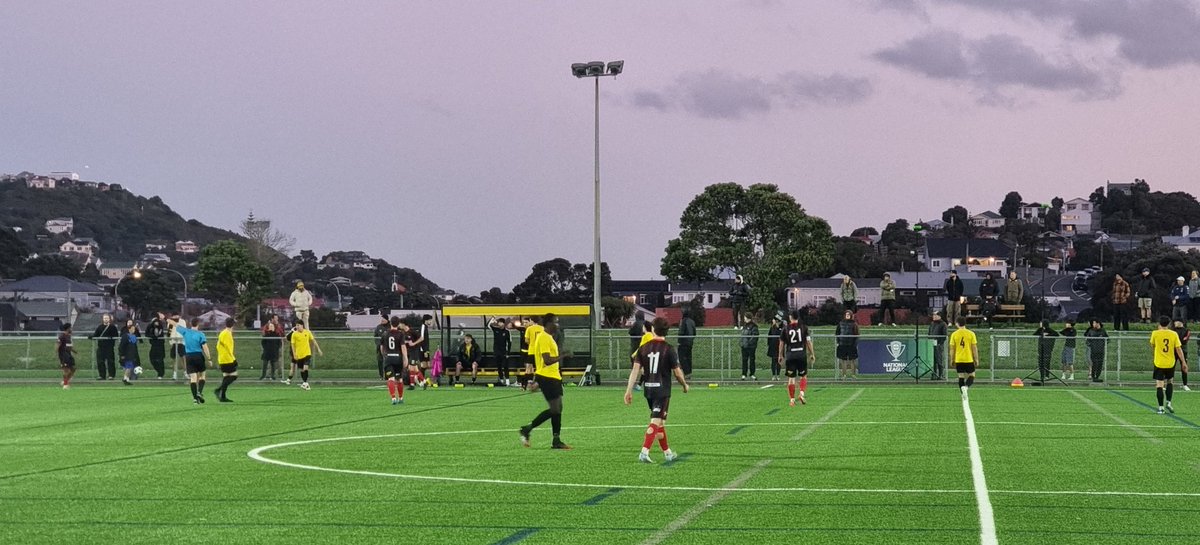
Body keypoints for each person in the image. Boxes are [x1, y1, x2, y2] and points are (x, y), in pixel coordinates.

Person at [624, 317, 688, 463]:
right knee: (655, 421)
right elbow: (677, 373)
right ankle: (644, 451)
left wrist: (628, 390)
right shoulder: (669, 349)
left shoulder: (643, 348)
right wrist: (684, 385)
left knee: (660, 423)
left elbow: (635, 371)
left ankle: (668, 453)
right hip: (662, 391)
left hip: (649, 390)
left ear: (653, 329)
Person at [519, 314, 571, 450]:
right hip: (547, 377)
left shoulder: (549, 337)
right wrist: (563, 355)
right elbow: (547, 361)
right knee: (555, 409)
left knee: (558, 409)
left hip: (553, 377)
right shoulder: (543, 338)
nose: (557, 325)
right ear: (548, 323)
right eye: (556, 322)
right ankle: (527, 429)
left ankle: (556, 440)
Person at [1150, 316, 1187, 414]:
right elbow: (1178, 349)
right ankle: (1169, 402)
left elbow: (1153, 346)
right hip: (1170, 362)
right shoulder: (1173, 334)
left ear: (1159, 323)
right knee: (1170, 382)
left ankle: (1161, 407)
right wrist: (1183, 362)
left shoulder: (1155, 333)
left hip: (1159, 362)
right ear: (1169, 324)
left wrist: (1155, 354)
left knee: (1159, 385)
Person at [778, 309, 815, 407]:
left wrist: (780, 355)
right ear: (798, 317)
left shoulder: (786, 329)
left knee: (791, 378)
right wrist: (812, 353)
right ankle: (802, 394)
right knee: (803, 376)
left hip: (790, 355)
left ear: (790, 317)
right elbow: (808, 341)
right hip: (801, 355)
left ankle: (792, 399)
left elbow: (781, 343)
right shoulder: (804, 328)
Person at [174, 318, 212, 404]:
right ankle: (199, 392)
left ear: (191, 324)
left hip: (189, 356)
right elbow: (205, 347)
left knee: (193, 378)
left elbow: (175, 325)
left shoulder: (185, 331)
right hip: (198, 355)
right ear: (198, 324)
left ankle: (195, 399)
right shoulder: (200, 334)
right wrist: (209, 358)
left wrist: (166, 318)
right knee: (202, 375)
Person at [948, 317, 980, 400]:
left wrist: (951, 359)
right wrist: (976, 359)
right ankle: (966, 387)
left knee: (961, 376)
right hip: (968, 359)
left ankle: (963, 393)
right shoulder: (971, 333)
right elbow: (974, 348)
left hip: (959, 359)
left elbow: (952, 349)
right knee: (972, 375)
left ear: (957, 323)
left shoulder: (954, 334)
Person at [380, 316, 409, 404]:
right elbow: (403, 347)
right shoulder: (400, 334)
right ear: (398, 323)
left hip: (388, 358)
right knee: (399, 379)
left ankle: (393, 398)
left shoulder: (385, 333)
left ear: (390, 323)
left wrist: (384, 355)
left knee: (391, 378)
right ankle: (400, 398)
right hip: (398, 358)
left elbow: (381, 347)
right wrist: (405, 358)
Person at [289, 320, 322, 391]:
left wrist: (318, 349)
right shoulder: (294, 334)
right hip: (299, 355)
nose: (297, 327)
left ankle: (305, 383)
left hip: (307, 353)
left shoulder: (307, 332)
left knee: (305, 368)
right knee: (302, 370)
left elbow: (313, 340)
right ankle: (305, 383)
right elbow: (292, 345)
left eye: (298, 325)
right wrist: (294, 354)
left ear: (302, 325)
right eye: (296, 325)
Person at [213, 317, 239, 402]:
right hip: (227, 359)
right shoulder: (228, 334)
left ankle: (223, 396)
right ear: (233, 325)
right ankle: (218, 390)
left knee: (226, 376)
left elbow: (217, 346)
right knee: (234, 375)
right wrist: (233, 359)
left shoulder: (222, 333)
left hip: (222, 358)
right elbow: (229, 348)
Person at [90, 314, 119, 380]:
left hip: (109, 347)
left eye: (107, 318)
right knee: (100, 361)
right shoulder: (99, 327)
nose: (106, 319)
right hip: (101, 347)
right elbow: (96, 335)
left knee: (110, 361)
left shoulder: (112, 327)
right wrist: (91, 337)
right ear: (103, 319)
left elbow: (116, 336)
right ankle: (102, 375)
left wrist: (111, 338)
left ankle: (111, 375)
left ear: (109, 319)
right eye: (104, 318)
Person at [520, 316, 543, 390]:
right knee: (540, 368)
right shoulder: (542, 328)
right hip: (540, 351)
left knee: (529, 368)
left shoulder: (529, 329)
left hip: (532, 351)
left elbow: (526, 340)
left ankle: (524, 385)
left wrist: (532, 343)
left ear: (531, 321)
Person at [835, 309, 859, 380]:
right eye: (846, 314)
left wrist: (855, 344)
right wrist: (838, 342)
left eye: (849, 314)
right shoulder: (840, 323)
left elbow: (857, 334)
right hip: (842, 344)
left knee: (853, 360)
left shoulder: (854, 324)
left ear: (851, 315)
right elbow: (837, 333)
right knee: (843, 360)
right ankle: (844, 375)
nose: (847, 316)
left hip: (851, 345)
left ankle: (853, 375)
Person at [488, 317, 512, 386]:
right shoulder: (495, 329)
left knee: (505, 366)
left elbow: (509, 342)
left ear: (504, 324)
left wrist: (508, 353)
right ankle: (501, 380)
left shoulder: (507, 332)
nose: (499, 324)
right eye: (499, 322)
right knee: (499, 366)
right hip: (496, 351)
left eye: (501, 322)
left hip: (504, 352)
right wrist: (492, 319)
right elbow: (488, 325)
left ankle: (507, 380)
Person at [1034, 320, 1058, 384]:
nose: (1040, 324)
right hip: (1041, 349)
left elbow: (1056, 334)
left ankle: (1047, 375)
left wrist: (1048, 334)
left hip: (1048, 349)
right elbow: (1035, 334)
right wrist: (1041, 333)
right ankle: (1042, 376)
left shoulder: (1049, 330)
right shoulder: (1040, 330)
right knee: (1040, 362)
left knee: (1046, 362)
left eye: (1041, 323)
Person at [118, 319, 141, 385]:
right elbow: (122, 346)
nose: (134, 330)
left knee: (130, 367)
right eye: (132, 329)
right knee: (129, 367)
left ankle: (127, 379)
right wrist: (122, 354)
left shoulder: (134, 336)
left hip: (132, 354)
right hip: (127, 354)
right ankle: (125, 378)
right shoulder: (125, 336)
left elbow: (135, 346)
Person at [146, 312, 167, 379]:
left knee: (160, 359)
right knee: (152, 359)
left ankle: (161, 374)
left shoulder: (159, 323)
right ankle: (159, 371)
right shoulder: (150, 325)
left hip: (160, 345)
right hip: (154, 345)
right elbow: (147, 333)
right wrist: (152, 336)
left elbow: (159, 329)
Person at [677, 308, 697, 379]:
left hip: (683, 343)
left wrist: (679, 341)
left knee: (682, 358)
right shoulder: (692, 321)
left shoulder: (683, 321)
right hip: (690, 343)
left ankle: (686, 373)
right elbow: (694, 333)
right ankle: (689, 373)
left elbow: (681, 332)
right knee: (688, 358)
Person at [928, 312, 948, 380]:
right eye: (933, 315)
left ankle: (941, 374)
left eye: (935, 315)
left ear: (939, 316)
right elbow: (929, 333)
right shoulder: (932, 324)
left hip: (939, 344)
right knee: (933, 360)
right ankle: (934, 374)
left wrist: (940, 343)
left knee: (939, 359)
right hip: (931, 344)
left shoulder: (943, 324)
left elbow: (944, 335)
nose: (933, 316)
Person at [1172, 319, 1191, 392]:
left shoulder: (1186, 330)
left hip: (1183, 351)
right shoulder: (1172, 330)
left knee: (1184, 366)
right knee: (1171, 367)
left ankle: (1185, 384)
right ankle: (1169, 383)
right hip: (1173, 351)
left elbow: (1184, 340)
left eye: (1177, 321)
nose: (1175, 323)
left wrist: (1177, 342)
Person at [56, 323, 77, 389]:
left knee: (73, 369)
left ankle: (65, 381)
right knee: (66, 370)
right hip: (63, 355)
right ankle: (65, 384)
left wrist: (75, 351)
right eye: (70, 328)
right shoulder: (62, 336)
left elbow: (69, 347)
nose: (71, 329)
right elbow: (57, 345)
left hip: (69, 354)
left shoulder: (69, 336)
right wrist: (57, 353)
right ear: (67, 329)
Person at [739, 313, 758, 380]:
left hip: (751, 347)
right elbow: (742, 336)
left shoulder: (754, 326)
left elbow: (754, 336)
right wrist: (742, 343)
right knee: (744, 360)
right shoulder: (744, 326)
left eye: (745, 317)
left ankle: (752, 374)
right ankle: (744, 374)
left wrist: (749, 343)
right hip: (744, 346)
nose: (744, 319)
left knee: (752, 360)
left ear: (748, 318)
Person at [372, 314, 390, 380]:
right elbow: (375, 336)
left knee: (388, 361)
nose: (382, 320)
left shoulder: (390, 327)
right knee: (380, 360)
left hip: (388, 348)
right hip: (380, 347)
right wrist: (379, 344)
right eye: (382, 319)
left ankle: (388, 375)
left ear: (387, 320)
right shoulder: (378, 327)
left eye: (384, 319)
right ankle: (381, 375)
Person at [766, 314, 782, 380]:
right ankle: (773, 375)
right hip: (773, 347)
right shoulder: (772, 328)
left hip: (779, 347)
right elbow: (769, 337)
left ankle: (778, 375)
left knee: (778, 361)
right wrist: (769, 344)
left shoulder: (781, 328)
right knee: (773, 361)